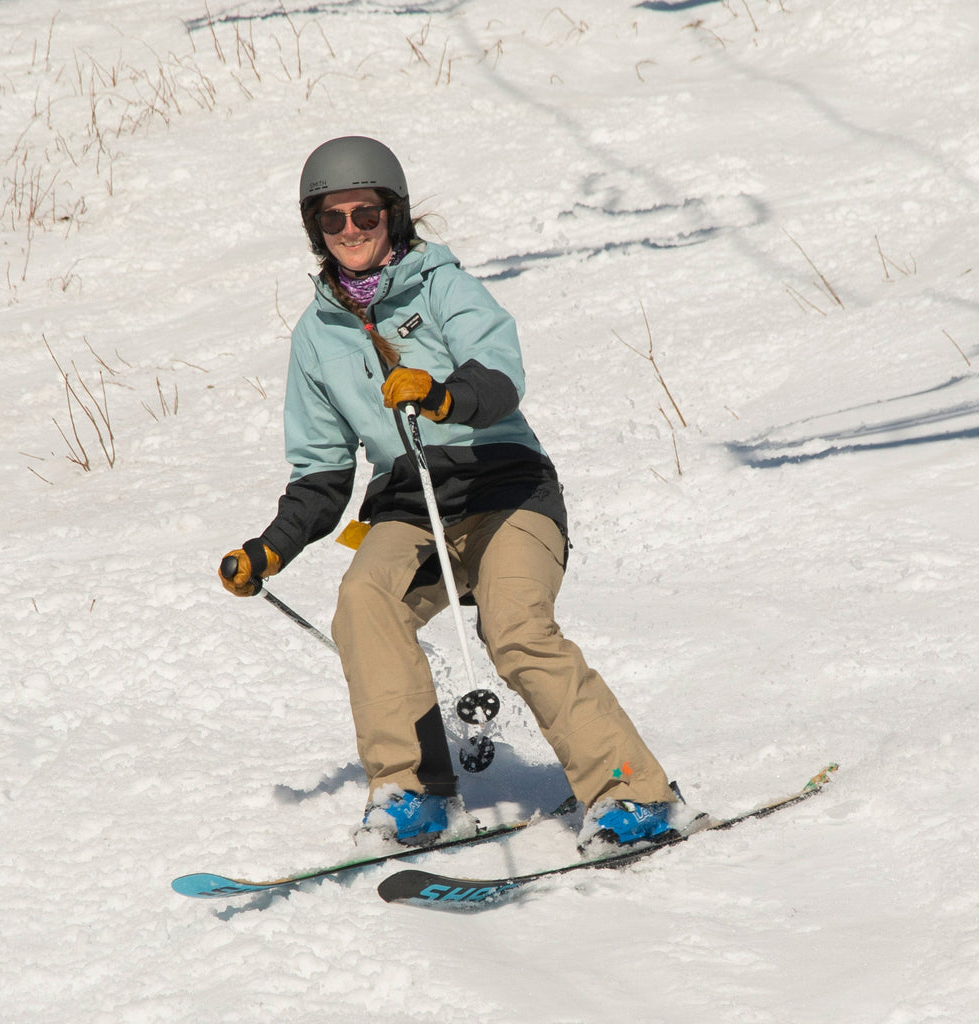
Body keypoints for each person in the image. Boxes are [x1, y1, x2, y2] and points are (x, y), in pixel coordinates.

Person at [220, 136, 700, 853]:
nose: (351, 230)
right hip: (412, 507)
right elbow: (322, 471)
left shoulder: (444, 286)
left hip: (506, 488)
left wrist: (444, 395)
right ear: (314, 229)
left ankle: (634, 792)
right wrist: (270, 549)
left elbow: (500, 372)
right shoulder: (315, 338)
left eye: (367, 213)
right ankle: (415, 794)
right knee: (362, 603)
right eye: (333, 219)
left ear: (396, 214)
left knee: (515, 628)